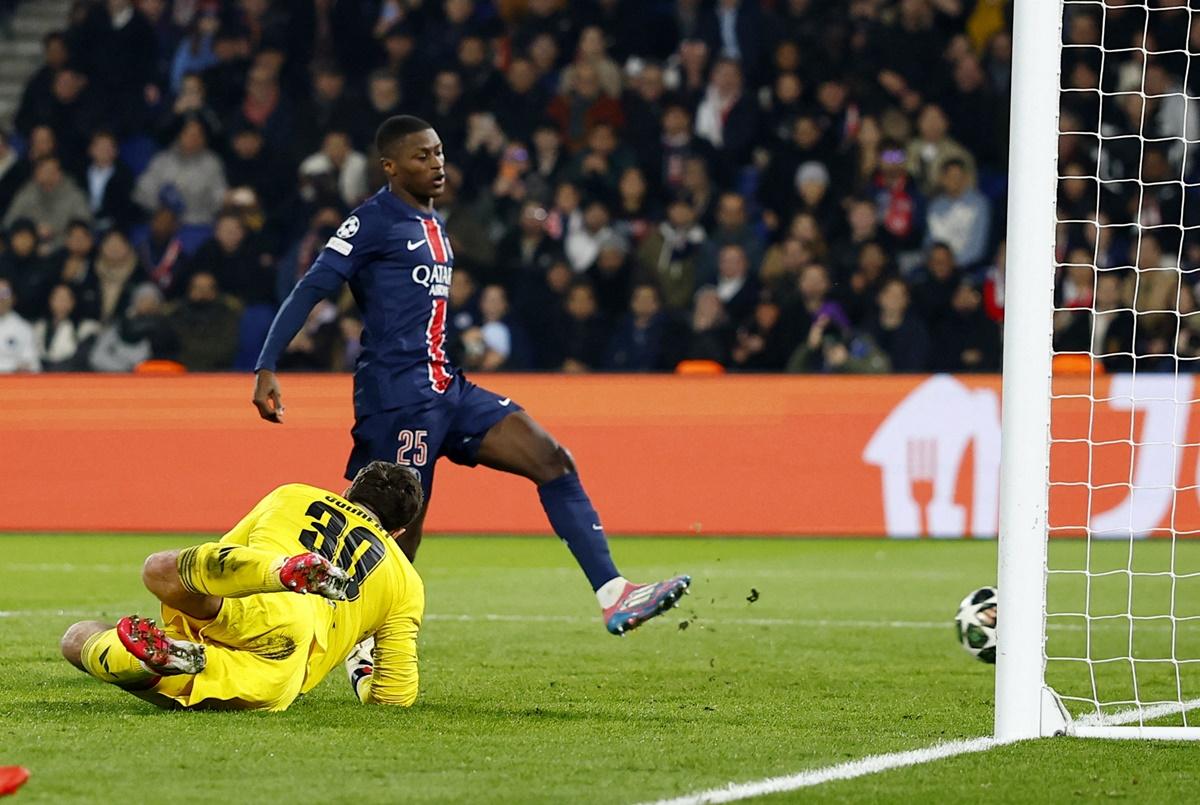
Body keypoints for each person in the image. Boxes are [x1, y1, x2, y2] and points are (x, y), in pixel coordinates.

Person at [253, 116, 689, 636]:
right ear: (389, 166)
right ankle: (333, 638)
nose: (436, 164)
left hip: (448, 387)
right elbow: (310, 288)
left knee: (553, 460)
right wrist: (266, 364)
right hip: (397, 399)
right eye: (421, 156)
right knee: (394, 536)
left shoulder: (433, 223)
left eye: (438, 152)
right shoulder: (370, 222)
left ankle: (614, 594)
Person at [59, 461, 426, 711]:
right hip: (283, 666)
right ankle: (167, 661)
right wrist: (360, 666)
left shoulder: (294, 495)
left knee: (152, 578)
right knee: (108, 648)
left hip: (260, 601)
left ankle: (280, 571)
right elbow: (395, 695)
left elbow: (223, 558)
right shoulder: (406, 582)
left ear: (347, 491)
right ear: (398, 532)